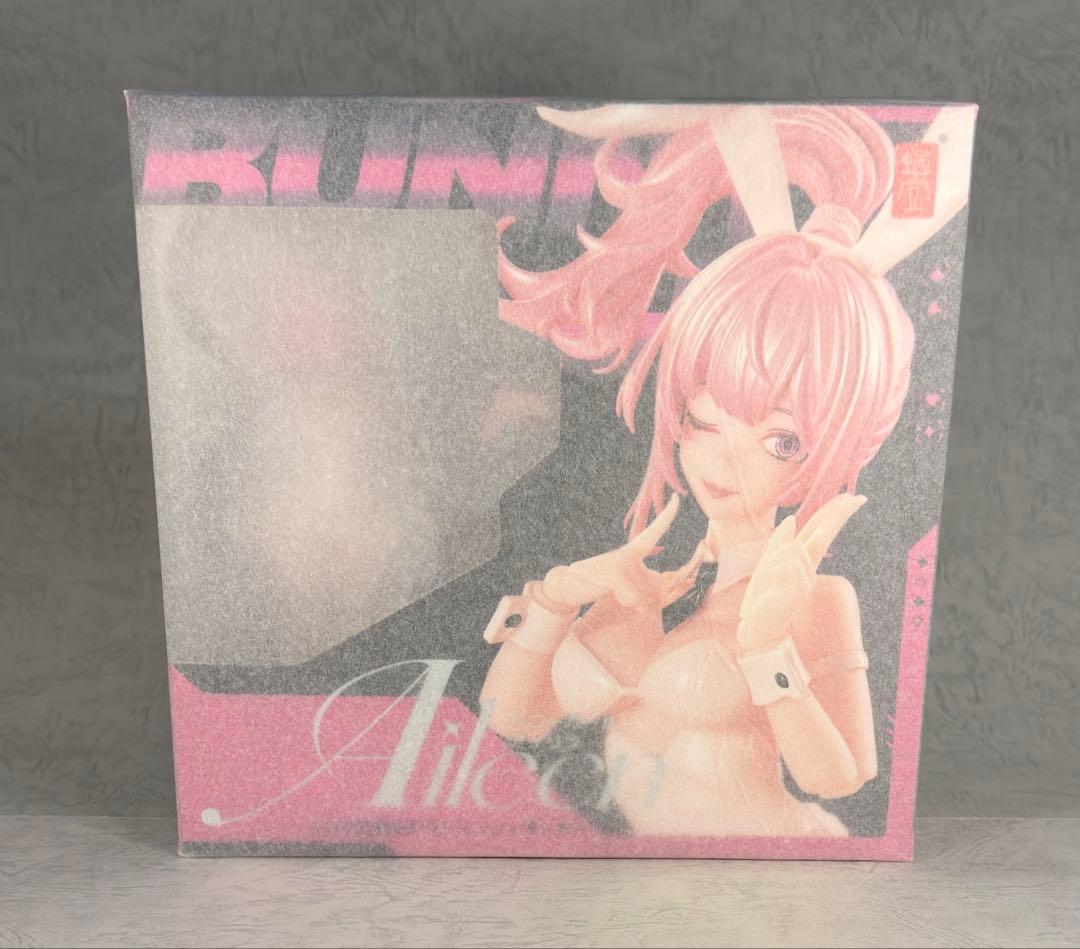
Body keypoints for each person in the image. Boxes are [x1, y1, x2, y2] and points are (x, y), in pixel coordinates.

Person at [480, 103, 975, 836]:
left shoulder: (814, 597)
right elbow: (511, 717)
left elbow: (841, 776)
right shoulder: (643, 579)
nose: (720, 459)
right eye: (703, 421)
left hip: (778, 881)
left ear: (834, 446)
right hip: (638, 883)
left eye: (780, 443)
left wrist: (769, 645)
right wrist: (554, 599)